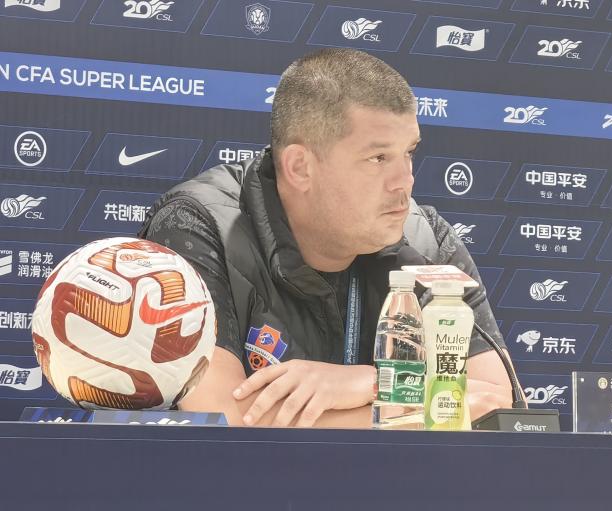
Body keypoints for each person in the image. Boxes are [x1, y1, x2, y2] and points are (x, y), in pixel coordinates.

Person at [139, 48, 513, 428]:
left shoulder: (426, 238)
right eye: (378, 158)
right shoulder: (197, 227)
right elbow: (225, 417)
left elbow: (497, 407)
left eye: (409, 153)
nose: (405, 181)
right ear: (300, 167)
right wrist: (425, 404)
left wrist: (369, 383)